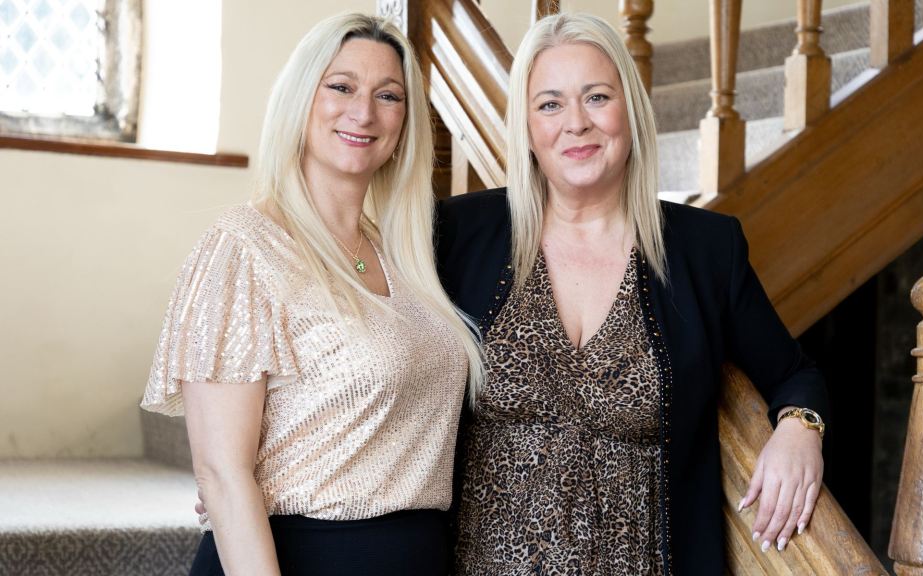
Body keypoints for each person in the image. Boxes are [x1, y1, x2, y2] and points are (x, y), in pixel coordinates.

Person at [436, 13, 828, 575]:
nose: (576, 123)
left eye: (597, 97)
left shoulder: (706, 250)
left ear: (630, 111)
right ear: (525, 125)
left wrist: (800, 429)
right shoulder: (457, 235)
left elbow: (796, 372)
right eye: (550, 104)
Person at [140, 14, 483, 576]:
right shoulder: (244, 249)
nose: (364, 112)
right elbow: (223, 474)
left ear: (406, 121)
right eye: (341, 86)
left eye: (388, 95)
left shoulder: (407, 255)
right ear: (301, 98)